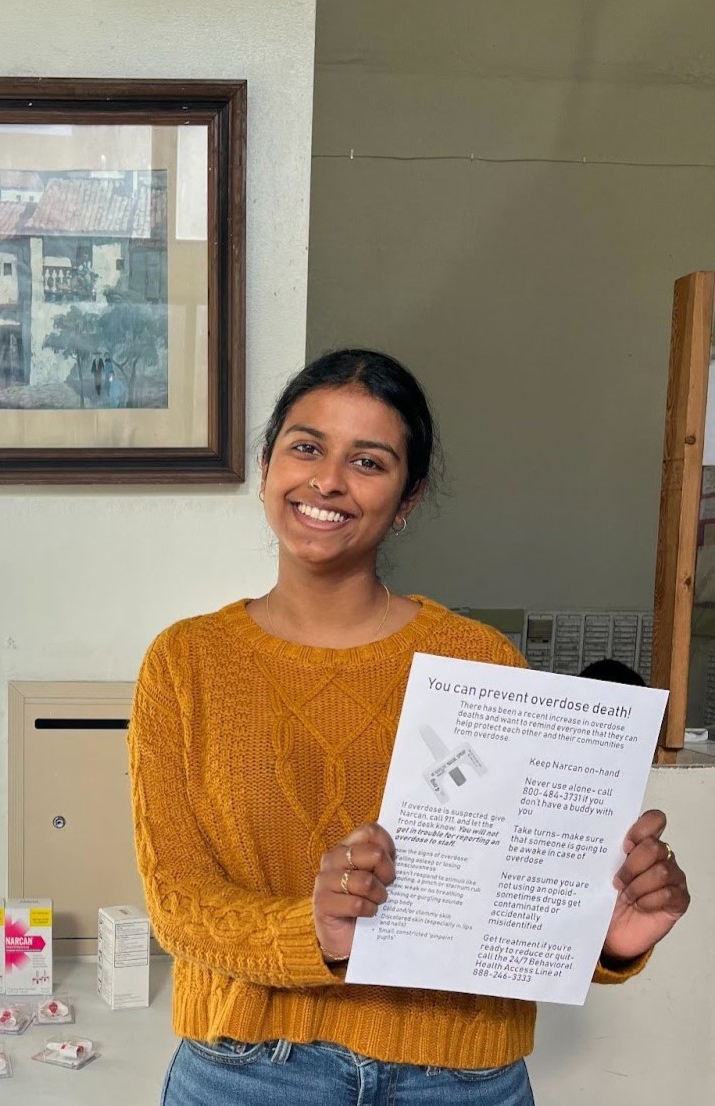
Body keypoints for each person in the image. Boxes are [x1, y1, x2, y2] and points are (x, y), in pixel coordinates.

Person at [127, 348, 690, 1106]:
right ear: (266, 466)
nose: (328, 480)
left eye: (368, 461)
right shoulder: (186, 662)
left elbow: (509, 888)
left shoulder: (479, 660)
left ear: (408, 497)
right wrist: (314, 932)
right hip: (247, 1071)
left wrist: (601, 936)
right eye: (306, 447)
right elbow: (178, 903)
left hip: (461, 1079)